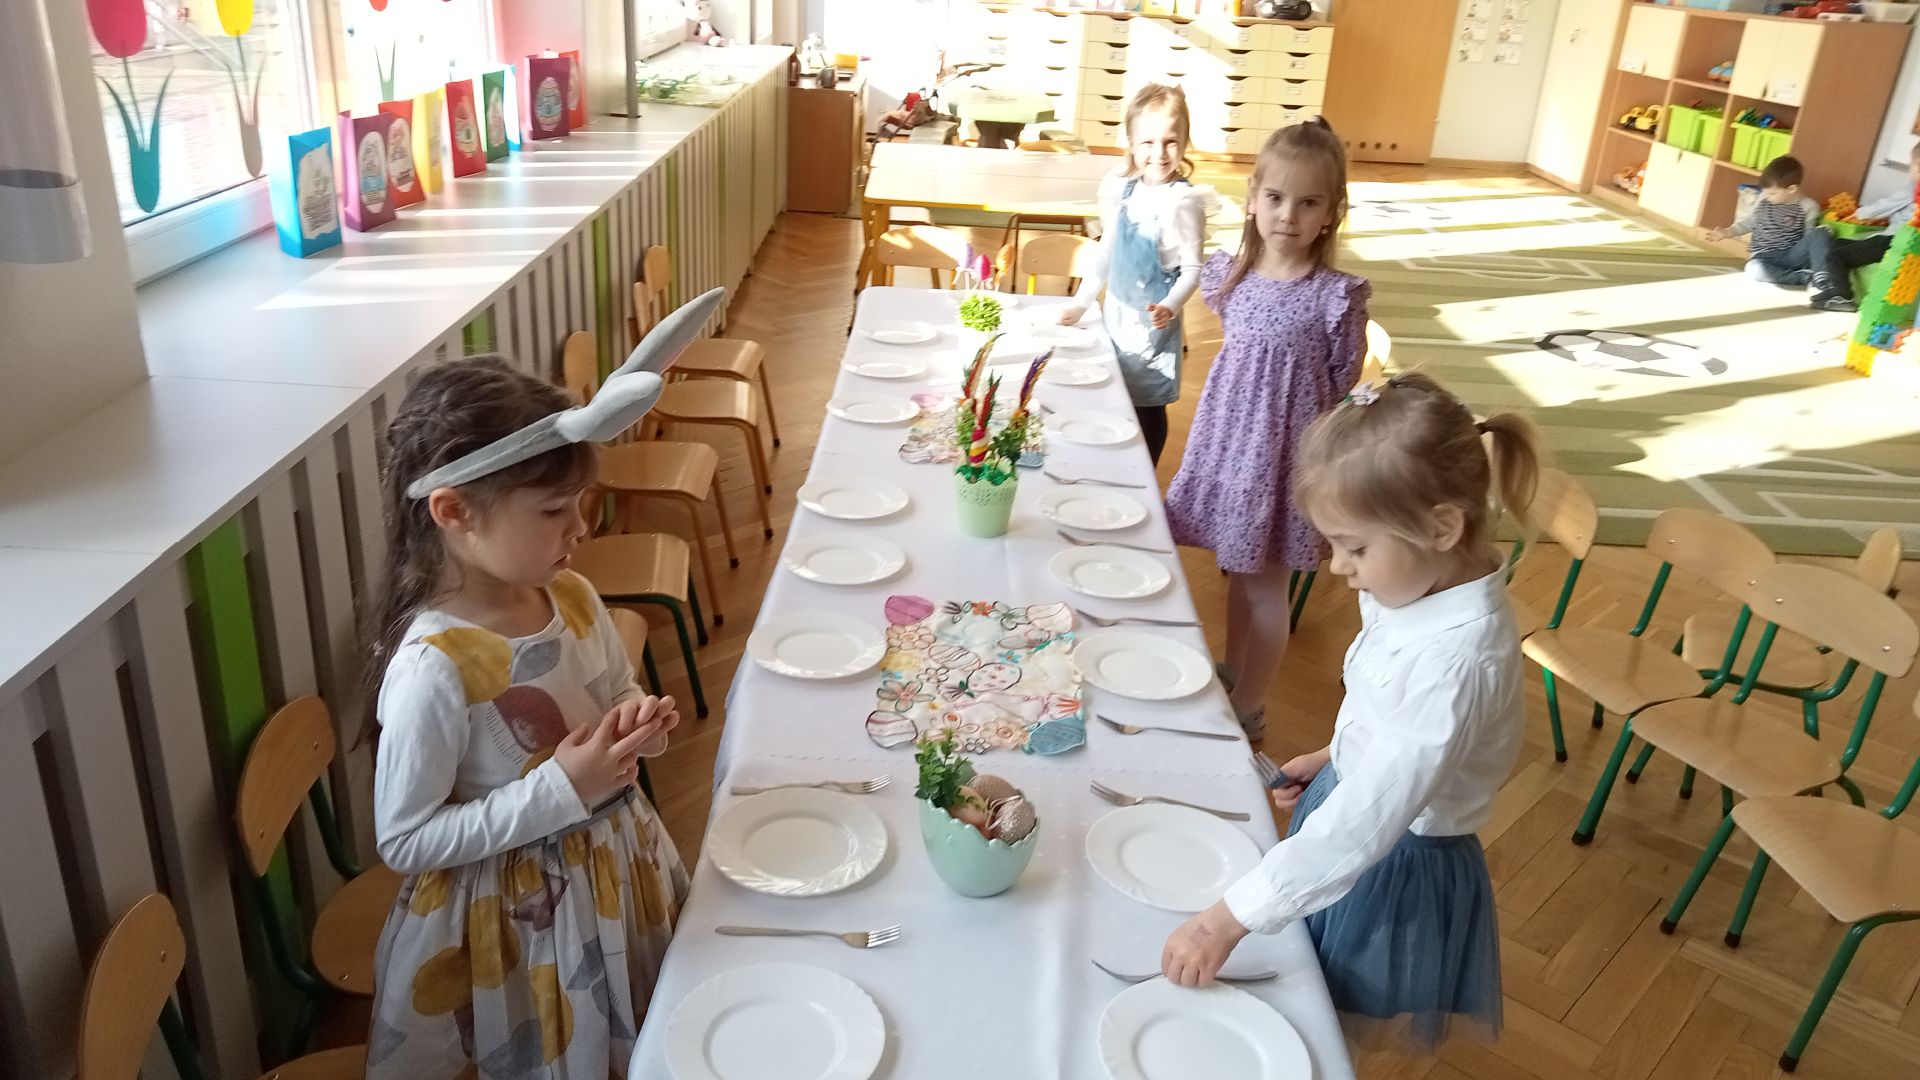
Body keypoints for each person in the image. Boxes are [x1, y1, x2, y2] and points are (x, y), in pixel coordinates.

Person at [1160, 372, 1541, 1052]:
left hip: (1389, 859)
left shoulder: (1455, 663)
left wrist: (1226, 920)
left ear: (1442, 527)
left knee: (1320, 1001)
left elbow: (1367, 822)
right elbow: (1388, 717)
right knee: (1304, 963)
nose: (1336, 567)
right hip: (1362, 808)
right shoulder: (1418, 586)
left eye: (1355, 548)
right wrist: (1336, 754)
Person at [361, 356, 688, 1078]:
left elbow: (614, 686)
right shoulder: (434, 668)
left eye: (579, 503)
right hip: (518, 925)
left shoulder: (570, 595)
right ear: (454, 512)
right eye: (552, 511)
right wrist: (562, 788)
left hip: (615, 871)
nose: (581, 527)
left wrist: (634, 720)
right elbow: (406, 839)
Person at [1162, 118, 1369, 739]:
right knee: (1237, 571)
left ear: (1331, 214)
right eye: (1275, 197)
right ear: (1252, 200)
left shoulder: (1335, 295)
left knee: (1264, 587)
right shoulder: (1232, 275)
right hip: (1229, 448)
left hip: (1283, 466)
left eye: (1308, 203)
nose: (1288, 215)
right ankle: (1233, 671)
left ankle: (1251, 705)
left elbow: (1342, 376)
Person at [1057, 83, 1209, 465]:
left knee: (1146, 408)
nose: (1159, 153)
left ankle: (1143, 473)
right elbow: (1106, 253)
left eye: (1171, 142)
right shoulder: (1124, 191)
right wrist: (1081, 303)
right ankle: (1112, 465)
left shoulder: (1184, 201)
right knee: (1111, 396)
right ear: (1131, 142)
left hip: (1151, 328)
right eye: (1148, 142)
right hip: (1114, 320)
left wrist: (1171, 306)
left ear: (1185, 142)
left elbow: (1193, 269)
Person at [1809, 141, 1920, 312]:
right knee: (1837, 244)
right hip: (1901, 241)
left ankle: (1843, 297)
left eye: (1910, 164)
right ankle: (1835, 288)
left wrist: (1858, 213)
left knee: (1836, 255)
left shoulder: (1913, 188)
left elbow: (1883, 207)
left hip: (1894, 242)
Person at [1705, 155, 1827, 287]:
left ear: (1792, 189)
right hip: (1763, 257)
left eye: (1773, 193)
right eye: (1765, 192)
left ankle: (1821, 277)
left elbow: (1808, 237)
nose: (1768, 196)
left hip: (1792, 256)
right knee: (1754, 270)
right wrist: (1727, 232)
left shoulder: (1808, 206)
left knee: (1820, 233)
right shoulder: (1763, 198)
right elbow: (1750, 222)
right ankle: (1804, 277)